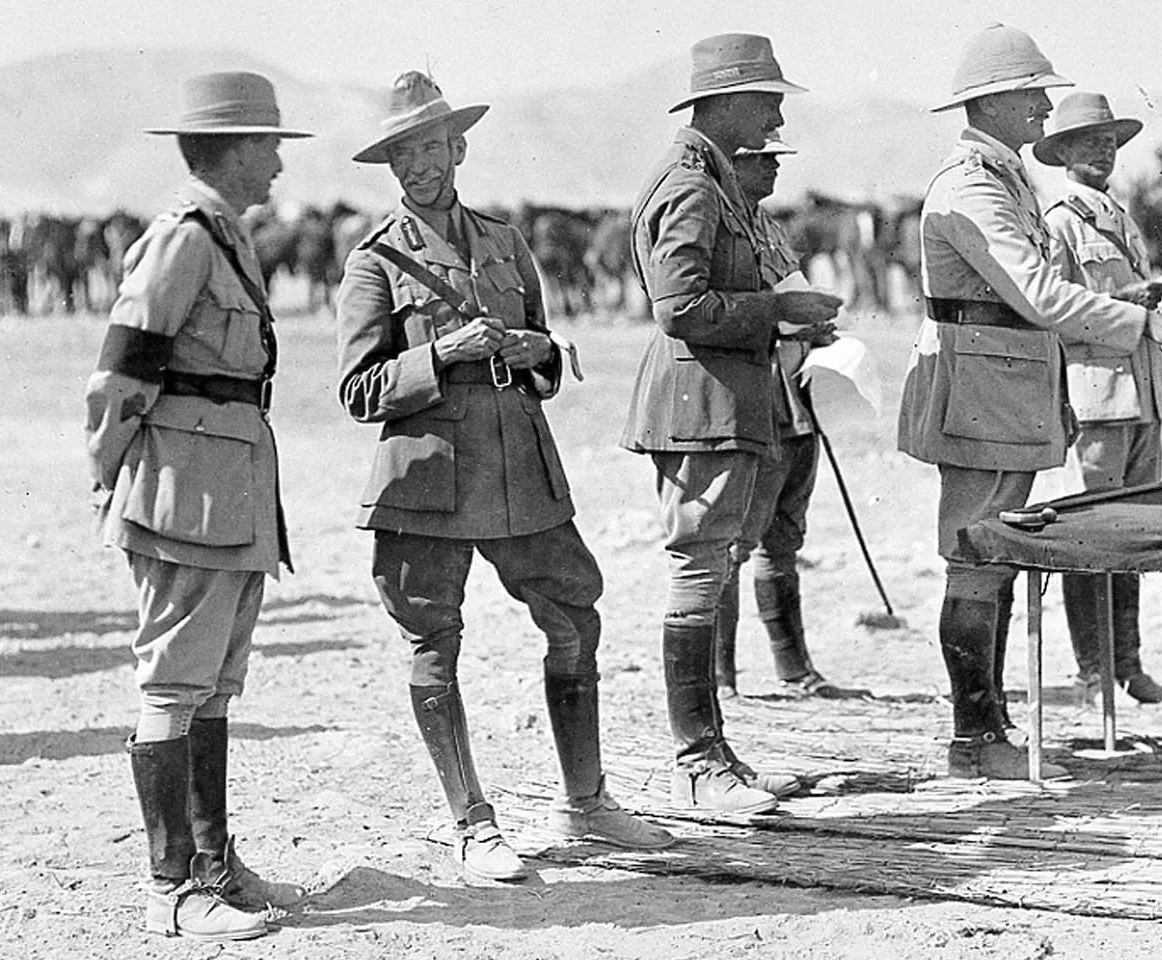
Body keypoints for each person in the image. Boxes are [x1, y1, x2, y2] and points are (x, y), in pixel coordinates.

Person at [335, 71, 674, 884]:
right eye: (401, 155)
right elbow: (356, 391)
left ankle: (586, 804)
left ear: (457, 147)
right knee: (433, 643)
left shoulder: (505, 240)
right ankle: (472, 824)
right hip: (427, 481)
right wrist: (440, 355)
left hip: (519, 469)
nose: (417, 166)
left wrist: (539, 353)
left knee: (575, 616)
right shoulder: (374, 261)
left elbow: (549, 348)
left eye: (428, 147)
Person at [898, 24, 1162, 780]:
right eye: (1033, 93)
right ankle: (975, 742)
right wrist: (1147, 320)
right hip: (981, 392)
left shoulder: (1003, 179)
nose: (1045, 105)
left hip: (1003, 389)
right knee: (974, 558)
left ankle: (988, 728)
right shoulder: (973, 185)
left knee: (991, 560)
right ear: (994, 101)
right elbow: (1037, 293)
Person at [84, 71, 309, 941]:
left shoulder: (227, 235)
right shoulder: (183, 240)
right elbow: (121, 370)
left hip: (230, 486)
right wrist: (109, 474)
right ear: (236, 149)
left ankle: (213, 863)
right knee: (175, 683)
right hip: (183, 489)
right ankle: (171, 890)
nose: (280, 168)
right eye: (271, 149)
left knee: (214, 683)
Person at [621, 33, 842, 814]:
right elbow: (679, 309)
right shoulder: (692, 187)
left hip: (719, 399)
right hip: (699, 404)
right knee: (697, 569)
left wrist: (783, 322)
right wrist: (777, 312)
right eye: (769, 99)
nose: (778, 113)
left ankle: (714, 755)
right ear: (726, 103)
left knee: (711, 566)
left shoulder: (713, 183)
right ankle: (699, 761)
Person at [1034, 93, 1162, 706]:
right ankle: (1094, 673)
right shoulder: (1060, 223)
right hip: (1097, 394)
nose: (1102, 152)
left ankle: (1129, 666)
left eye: (1109, 142)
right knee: (1094, 535)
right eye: (1088, 143)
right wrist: (1136, 303)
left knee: (1131, 533)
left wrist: (1161, 293)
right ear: (1064, 154)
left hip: (1142, 391)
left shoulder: (1120, 216)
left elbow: (1121, 296)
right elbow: (1055, 311)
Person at [713, 136, 859, 701]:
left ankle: (794, 668)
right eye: (763, 159)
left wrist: (814, 331)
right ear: (735, 165)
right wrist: (784, 325)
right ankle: (719, 676)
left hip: (796, 402)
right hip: (752, 402)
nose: (775, 167)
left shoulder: (770, 228)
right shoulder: (720, 234)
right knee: (730, 541)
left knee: (784, 539)